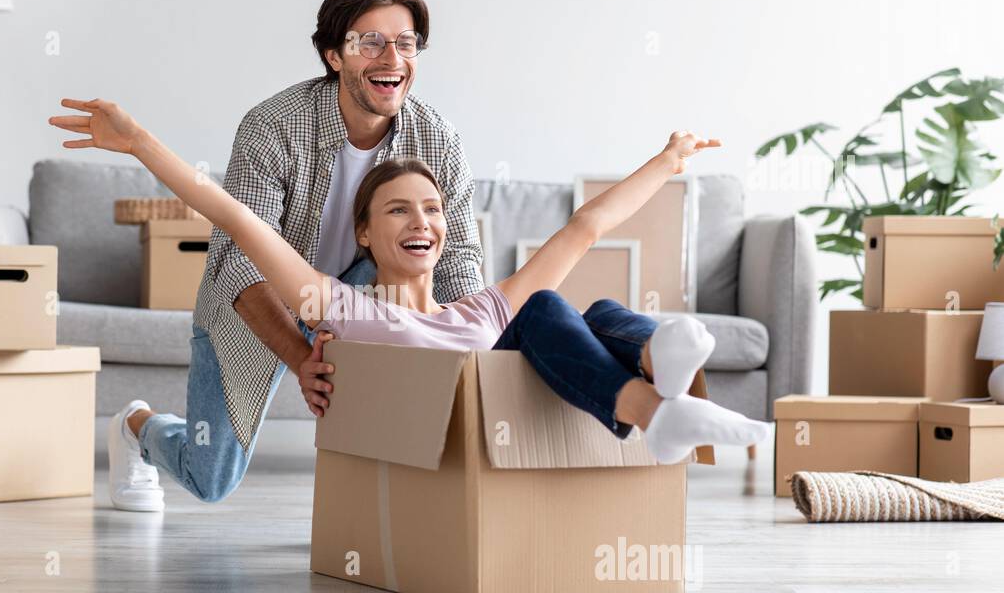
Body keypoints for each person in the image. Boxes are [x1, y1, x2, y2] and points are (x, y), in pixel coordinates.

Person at [48, 101, 773, 486]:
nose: (421, 220)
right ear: (364, 235)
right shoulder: (344, 310)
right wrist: (140, 142)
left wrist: (668, 160)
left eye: (431, 209)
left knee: (555, 308)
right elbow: (235, 217)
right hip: (424, 440)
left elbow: (586, 225)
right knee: (549, 309)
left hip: (494, 391)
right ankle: (140, 424)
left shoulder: (478, 310)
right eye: (398, 210)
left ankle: (656, 379)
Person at [68, 0, 485, 510]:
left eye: (405, 43)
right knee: (210, 479)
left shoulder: (438, 139)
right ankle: (138, 425)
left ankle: (366, 509)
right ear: (334, 55)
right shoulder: (274, 126)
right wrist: (300, 355)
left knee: (407, 313)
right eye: (370, 42)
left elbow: (459, 261)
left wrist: (473, 348)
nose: (392, 58)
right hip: (255, 300)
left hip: (359, 293)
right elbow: (240, 262)